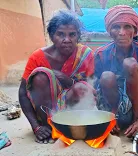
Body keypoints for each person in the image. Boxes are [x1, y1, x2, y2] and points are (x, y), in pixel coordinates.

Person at [18, 10, 95, 144]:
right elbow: (23, 93)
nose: (67, 40)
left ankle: (73, 126)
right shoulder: (38, 57)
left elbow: (93, 88)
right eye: (60, 34)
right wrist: (36, 127)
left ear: (78, 36)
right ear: (52, 36)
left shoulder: (85, 55)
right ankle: (49, 128)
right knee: (40, 76)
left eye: (72, 34)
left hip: (73, 110)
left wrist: (68, 81)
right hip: (44, 111)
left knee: (81, 88)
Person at [94, 5, 138, 138]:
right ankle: (115, 118)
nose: (121, 32)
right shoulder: (101, 54)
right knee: (106, 76)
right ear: (109, 31)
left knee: (130, 64)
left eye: (127, 27)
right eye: (116, 27)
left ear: (135, 31)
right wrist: (106, 119)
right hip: (114, 108)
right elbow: (95, 90)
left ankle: (135, 121)